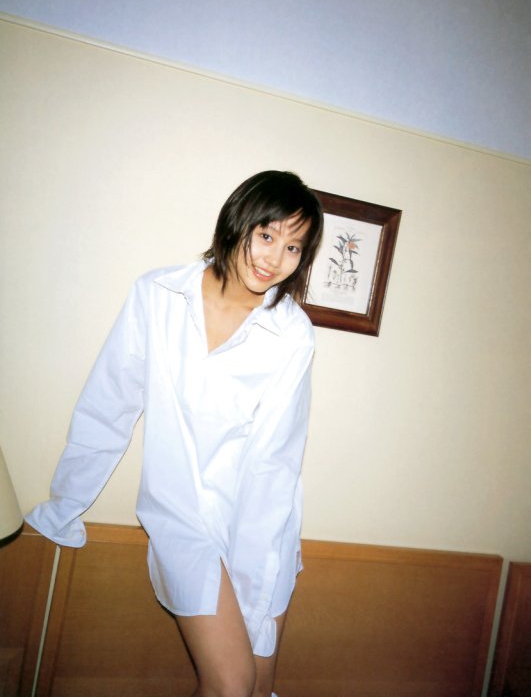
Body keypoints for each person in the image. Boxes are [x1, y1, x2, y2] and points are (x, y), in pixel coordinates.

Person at [26, 170, 324, 697]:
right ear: (238, 221)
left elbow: (275, 461)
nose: (276, 257)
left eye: (294, 246)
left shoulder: (291, 333)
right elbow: (109, 403)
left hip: (261, 526)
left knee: (257, 688)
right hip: (183, 519)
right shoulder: (158, 295)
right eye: (267, 234)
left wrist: (257, 573)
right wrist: (66, 502)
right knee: (231, 685)